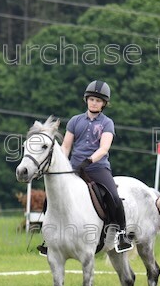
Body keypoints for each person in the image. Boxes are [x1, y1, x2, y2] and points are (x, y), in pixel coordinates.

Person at [38, 80, 133, 255]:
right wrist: (62, 165)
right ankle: (49, 237)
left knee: (113, 196)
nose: (94, 102)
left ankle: (121, 234)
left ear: (104, 103)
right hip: (74, 169)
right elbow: (65, 147)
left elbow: (104, 148)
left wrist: (88, 161)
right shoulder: (75, 121)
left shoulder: (107, 123)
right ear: (86, 100)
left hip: (98, 168)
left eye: (98, 100)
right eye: (91, 99)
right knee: (51, 198)